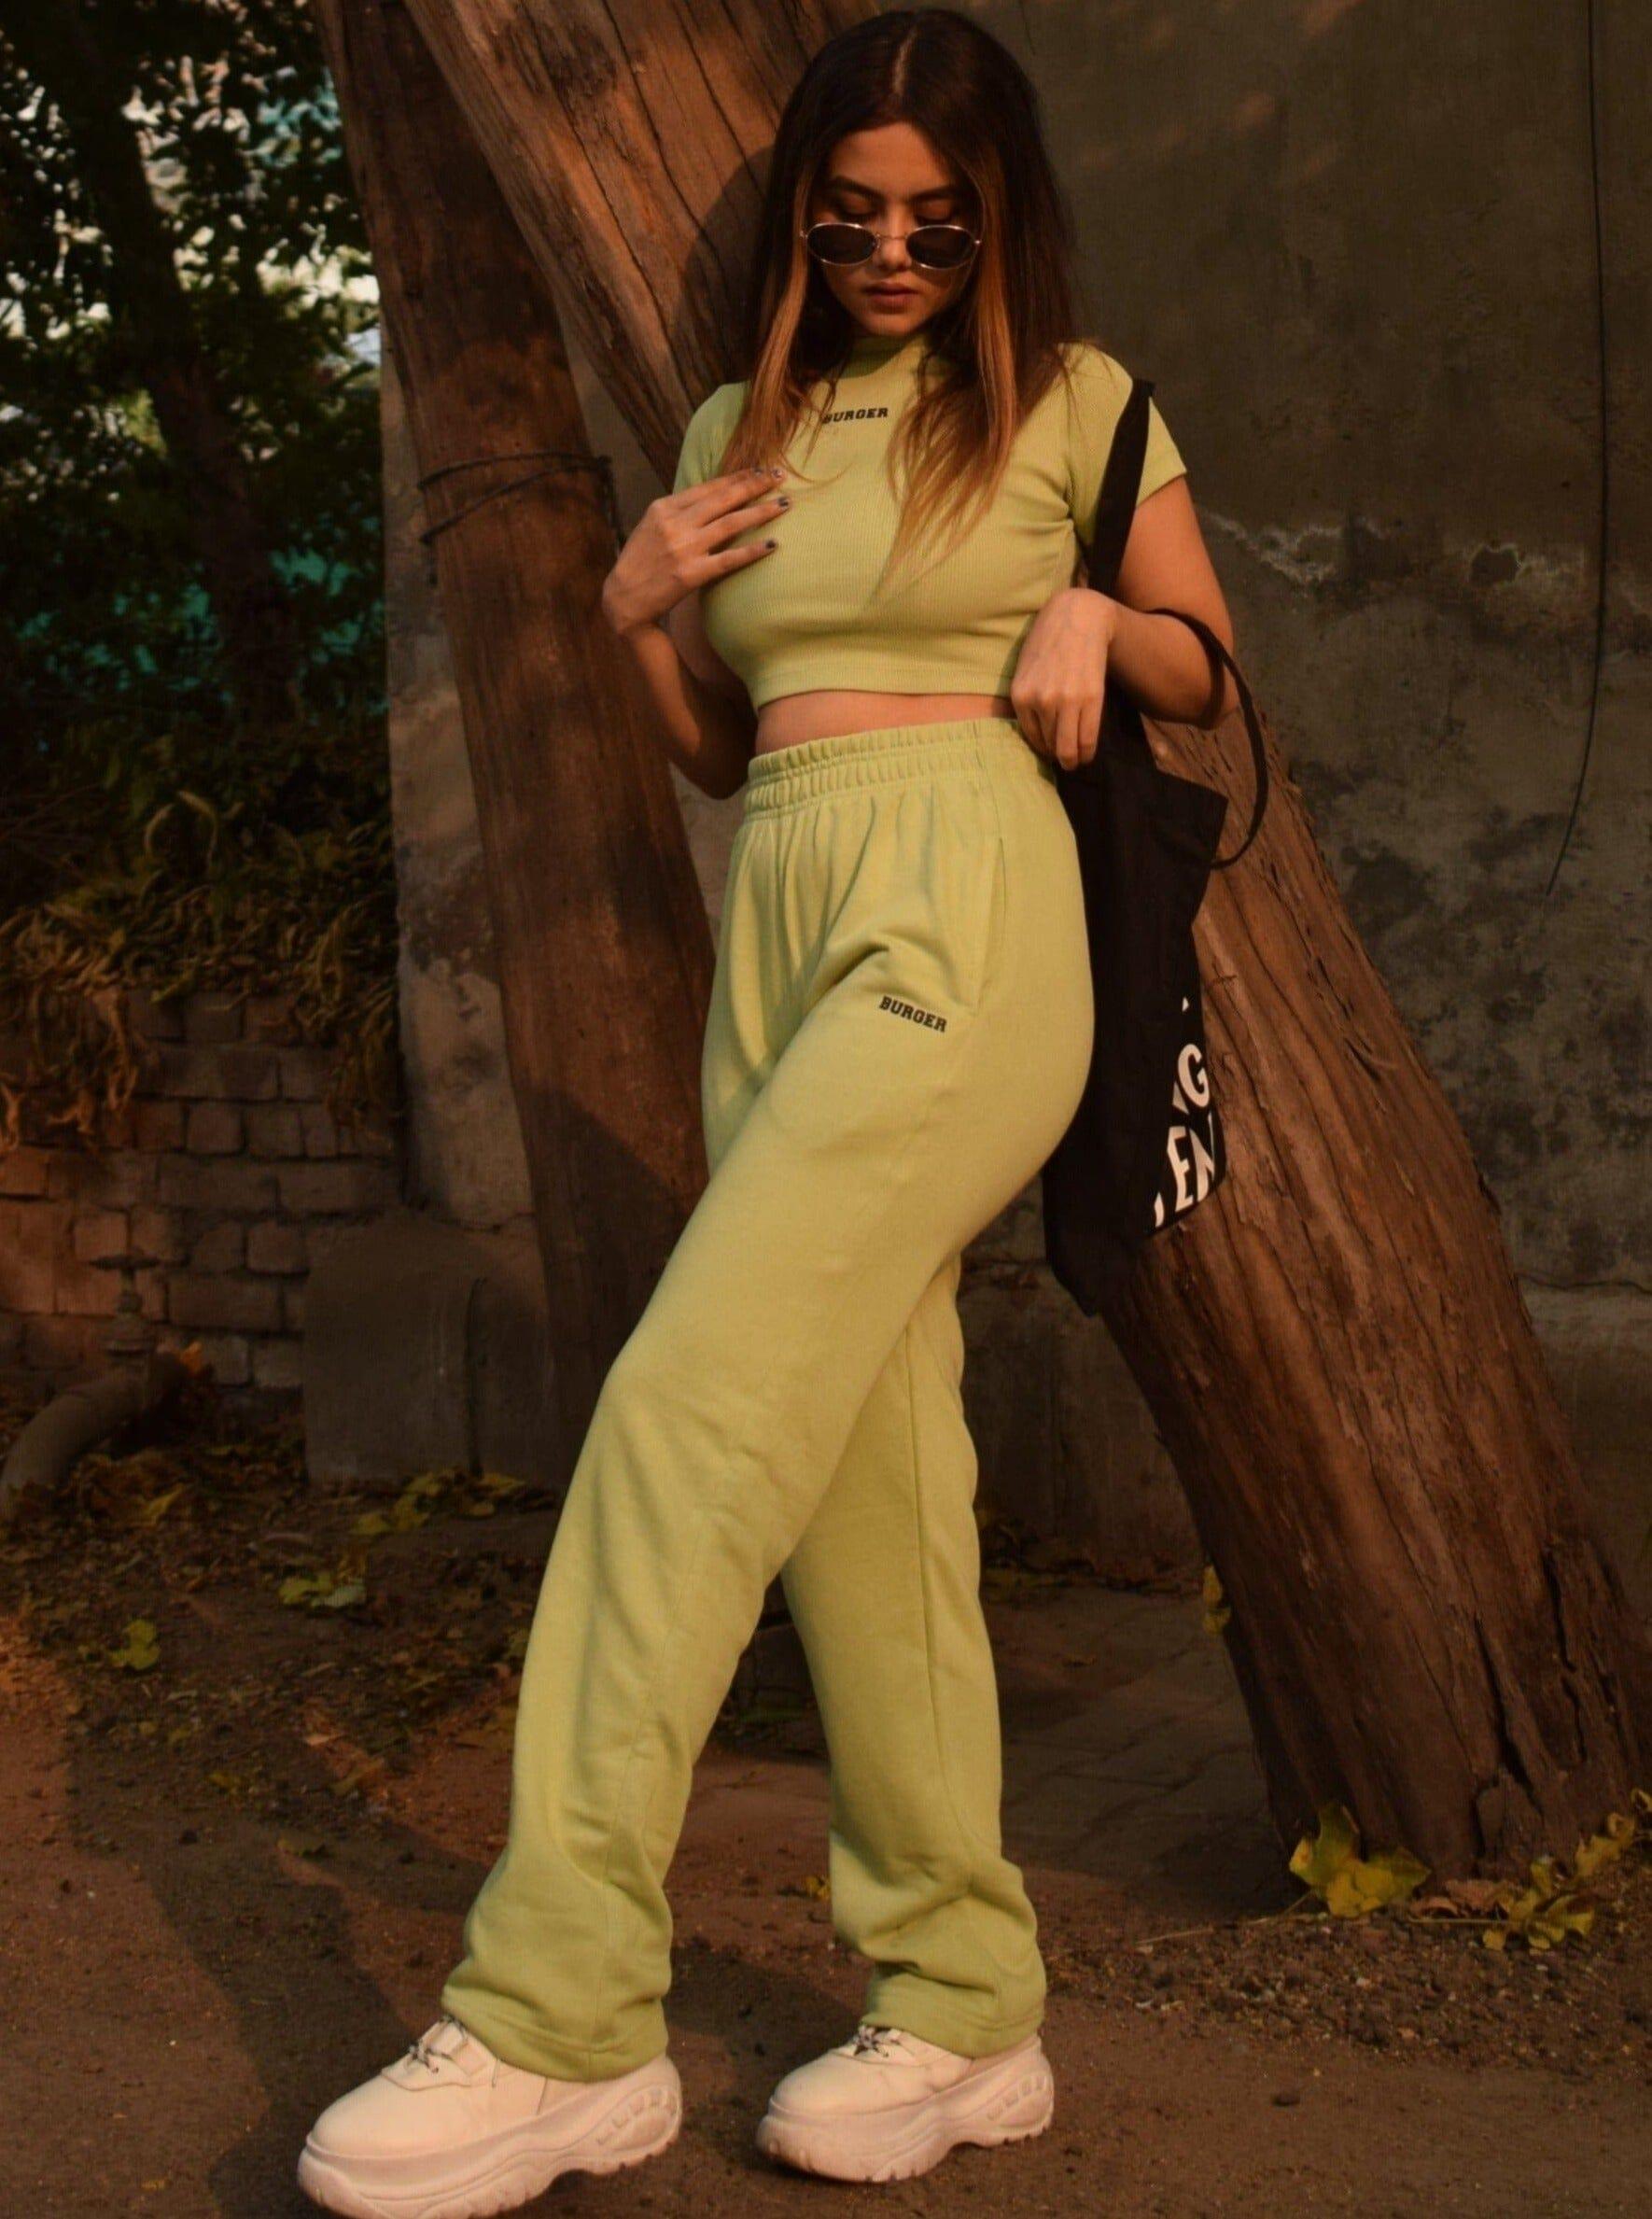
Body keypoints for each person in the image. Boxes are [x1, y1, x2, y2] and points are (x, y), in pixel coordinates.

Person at [298, 8, 1237, 2212]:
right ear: (803, 218)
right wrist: (637, 612)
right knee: (869, 1502)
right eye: (852, 217)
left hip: (969, 916)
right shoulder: (743, 425)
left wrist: (1096, 613)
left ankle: (557, 2014)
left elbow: (1206, 661)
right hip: (785, 926)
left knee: (682, 1409)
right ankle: (966, 1997)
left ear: (998, 220)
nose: (894, 253)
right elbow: (731, 746)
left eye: (939, 221)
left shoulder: (1080, 405)